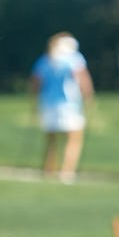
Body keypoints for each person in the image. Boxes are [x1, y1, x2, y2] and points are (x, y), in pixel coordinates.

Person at [31, 32, 95, 182]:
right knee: (74, 139)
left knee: (51, 139)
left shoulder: (45, 60)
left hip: (47, 103)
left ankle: (48, 169)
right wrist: (89, 98)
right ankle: (67, 172)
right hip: (69, 104)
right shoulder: (74, 59)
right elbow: (83, 80)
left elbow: (36, 83)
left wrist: (34, 101)